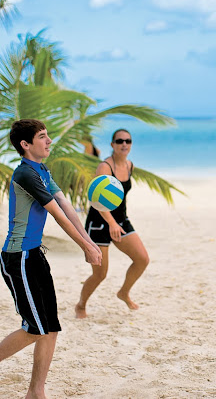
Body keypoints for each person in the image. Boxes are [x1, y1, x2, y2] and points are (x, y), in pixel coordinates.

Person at [0, 119, 102, 399]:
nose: (49, 140)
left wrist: (89, 241)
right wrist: (85, 247)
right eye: (43, 136)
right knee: (35, 328)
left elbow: (67, 206)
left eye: (47, 135)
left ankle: (36, 392)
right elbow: (56, 214)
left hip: (35, 257)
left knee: (50, 327)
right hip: (18, 259)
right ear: (25, 144)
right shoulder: (25, 175)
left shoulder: (42, 171)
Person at [76, 128, 149, 316]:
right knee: (100, 274)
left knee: (142, 259)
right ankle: (81, 305)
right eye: (119, 141)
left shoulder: (130, 165)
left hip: (121, 220)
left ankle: (123, 293)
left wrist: (116, 222)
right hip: (99, 221)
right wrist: (110, 222)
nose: (124, 144)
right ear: (112, 145)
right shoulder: (105, 167)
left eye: (127, 140)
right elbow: (95, 199)